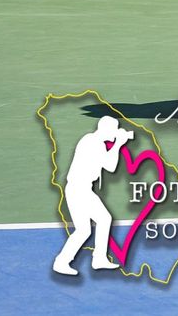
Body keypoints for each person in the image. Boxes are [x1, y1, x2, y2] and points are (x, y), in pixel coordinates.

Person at [53, 117, 133, 275]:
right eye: (114, 129)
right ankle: (63, 262)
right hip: (79, 190)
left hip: (82, 189)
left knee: (100, 221)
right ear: (105, 129)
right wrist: (118, 144)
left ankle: (98, 259)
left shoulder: (95, 142)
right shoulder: (93, 142)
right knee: (88, 228)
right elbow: (110, 166)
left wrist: (118, 143)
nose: (115, 132)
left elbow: (110, 165)